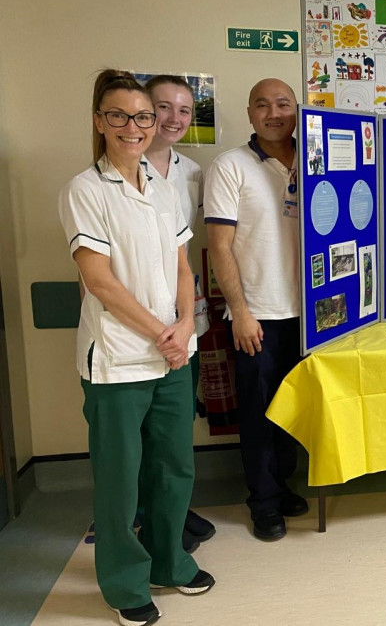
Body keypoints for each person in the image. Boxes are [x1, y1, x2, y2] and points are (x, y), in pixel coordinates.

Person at [58, 69, 214, 626]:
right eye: (119, 116)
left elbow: (182, 265)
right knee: (122, 481)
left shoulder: (167, 186)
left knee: (174, 468)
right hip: (119, 360)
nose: (134, 127)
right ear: (101, 122)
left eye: (143, 117)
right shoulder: (84, 190)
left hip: (174, 351)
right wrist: (161, 331)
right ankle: (124, 584)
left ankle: (169, 563)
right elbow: (99, 281)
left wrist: (182, 326)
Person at [204, 78, 306, 542]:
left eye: (283, 104)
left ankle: (283, 486)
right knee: (259, 412)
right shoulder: (230, 166)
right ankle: (263, 502)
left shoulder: (316, 163)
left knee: (293, 409)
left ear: (296, 110)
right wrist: (240, 312)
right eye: (262, 105)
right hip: (258, 313)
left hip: (311, 315)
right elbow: (219, 246)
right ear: (249, 114)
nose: (274, 113)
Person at [143, 74, 215, 553]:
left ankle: (172, 509)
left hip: (186, 314)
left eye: (184, 110)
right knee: (140, 426)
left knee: (176, 421)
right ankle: (145, 513)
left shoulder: (192, 172)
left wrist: (186, 317)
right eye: (163, 107)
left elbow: (190, 252)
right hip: (138, 318)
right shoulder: (112, 171)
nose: (174, 118)